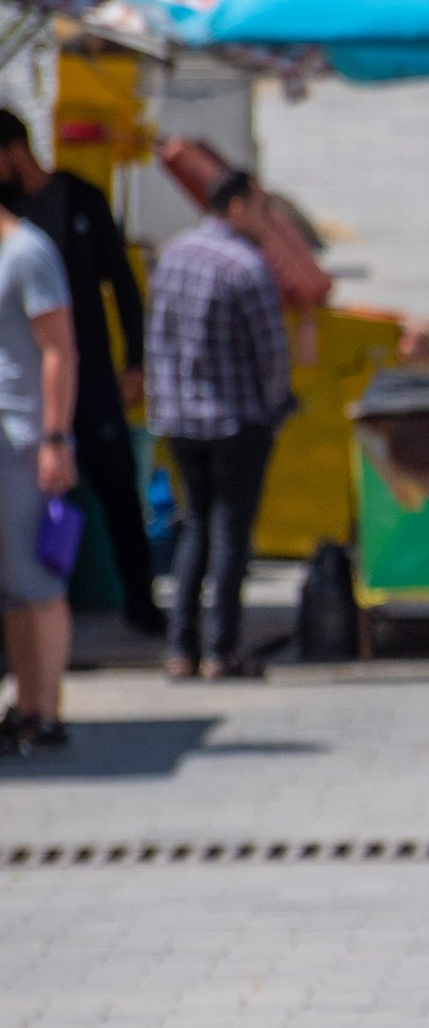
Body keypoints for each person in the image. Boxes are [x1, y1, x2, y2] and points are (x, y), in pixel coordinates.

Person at [0, 106, 157, 636]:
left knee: (116, 488)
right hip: (26, 387)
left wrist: (136, 359)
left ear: (14, 151)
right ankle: (47, 605)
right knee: (29, 513)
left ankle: (140, 599)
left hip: (86, 377)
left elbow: (124, 285)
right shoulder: (8, 215)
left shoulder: (75, 201)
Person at [145, 167, 294, 684]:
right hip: (235, 420)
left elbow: (156, 339)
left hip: (181, 420)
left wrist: (164, 405)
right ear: (236, 206)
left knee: (195, 527)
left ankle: (180, 648)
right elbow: (272, 355)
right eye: (261, 207)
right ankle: (220, 649)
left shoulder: (173, 255)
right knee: (230, 532)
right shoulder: (246, 267)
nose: (267, 218)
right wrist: (275, 408)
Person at [0, 179, 77, 752]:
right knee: (12, 587)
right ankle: (25, 702)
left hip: (26, 440)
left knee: (38, 580)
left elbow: (59, 349)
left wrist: (55, 437)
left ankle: (47, 711)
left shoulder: (28, 253)